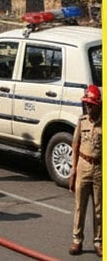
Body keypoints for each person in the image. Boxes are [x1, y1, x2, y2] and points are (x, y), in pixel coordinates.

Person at [69, 85, 102, 256]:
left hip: (99, 169)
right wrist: (73, 170)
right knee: (79, 207)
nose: (88, 108)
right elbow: (75, 145)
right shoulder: (82, 121)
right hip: (83, 166)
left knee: (99, 208)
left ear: (98, 105)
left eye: (91, 105)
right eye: (86, 104)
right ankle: (77, 240)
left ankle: (98, 241)